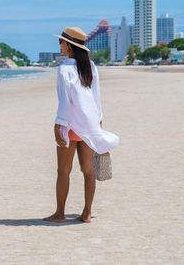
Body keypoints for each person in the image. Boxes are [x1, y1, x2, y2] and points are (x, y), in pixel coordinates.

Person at [43, 27, 119, 223]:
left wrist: (58, 125)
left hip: (71, 125)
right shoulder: (90, 66)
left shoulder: (64, 69)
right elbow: (96, 97)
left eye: (61, 41)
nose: (59, 45)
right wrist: (98, 122)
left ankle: (60, 213)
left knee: (63, 171)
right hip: (89, 125)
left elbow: (65, 102)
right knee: (88, 170)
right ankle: (87, 213)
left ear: (68, 45)